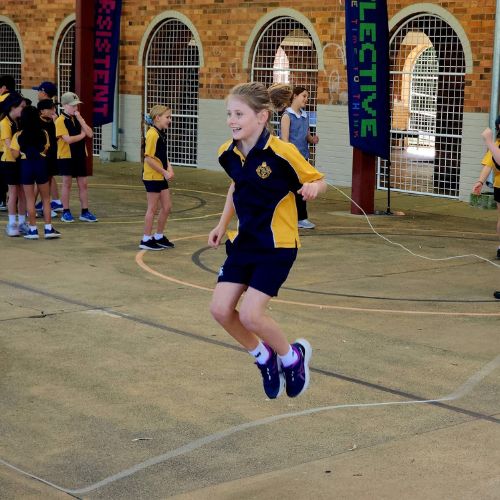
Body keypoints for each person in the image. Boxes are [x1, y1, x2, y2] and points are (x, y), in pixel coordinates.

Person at [208, 82, 326, 399]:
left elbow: (318, 179)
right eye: (229, 114)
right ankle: (264, 357)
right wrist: (222, 224)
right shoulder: (227, 153)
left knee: (250, 315)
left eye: (239, 114)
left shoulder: (282, 153)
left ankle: (293, 357)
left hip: (277, 246)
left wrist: (314, 187)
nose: (232, 120)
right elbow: (237, 188)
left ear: (261, 117)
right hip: (244, 242)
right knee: (220, 310)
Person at [10, 105, 60, 239]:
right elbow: (46, 149)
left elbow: (15, 155)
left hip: (26, 166)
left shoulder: (18, 135)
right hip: (40, 165)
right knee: (45, 198)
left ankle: (32, 230)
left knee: (30, 199)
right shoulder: (43, 132)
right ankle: (48, 229)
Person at [280, 86, 319, 230]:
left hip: (303, 159)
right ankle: (297, 218)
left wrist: (312, 139)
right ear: (295, 96)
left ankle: (300, 218)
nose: (306, 99)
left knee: (302, 189)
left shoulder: (305, 116)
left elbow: (306, 136)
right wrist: (291, 157)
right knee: (293, 189)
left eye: (307, 96)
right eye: (304, 96)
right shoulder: (287, 116)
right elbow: (284, 140)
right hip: (290, 160)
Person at [55, 91, 96, 223]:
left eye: (76, 106)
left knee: (83, 184)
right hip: (66, 156)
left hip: (80, 154)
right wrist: (82, 135)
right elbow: (68, 140)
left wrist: (81, 120)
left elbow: (90, 133)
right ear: (64, 105)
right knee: (66, 183)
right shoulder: (60, 121)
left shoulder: (78, 118)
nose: (75, 108)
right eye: (73, 106)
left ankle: (85, 211)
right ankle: (65, 211)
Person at [139, 105, 175, 250]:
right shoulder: (152, 134)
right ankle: (146, 239)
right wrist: (164, 172)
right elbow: (148, 159)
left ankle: (158, 236)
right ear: (157, 118)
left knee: (167, 207)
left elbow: (162, 156)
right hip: (152, 176)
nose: (170, 120)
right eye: (168, 117)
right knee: (152, 208)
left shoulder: (161, 133)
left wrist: (169, 168)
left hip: (160, 176)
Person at [473, 118, 500, 260]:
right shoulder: (497, 145)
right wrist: (480, 181)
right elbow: (489, 165)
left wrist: (489, 141)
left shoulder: (494, 144)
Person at [1, 92, 28, 236]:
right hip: (9, 162)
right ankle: (12, 224)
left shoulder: (18, 122)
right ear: (13, 107)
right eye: (22, 106)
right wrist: (24, 153)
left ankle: (22, 222)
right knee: (13, 193)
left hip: (19, 161)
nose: (23, 109)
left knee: (23, 192)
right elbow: (10, 146)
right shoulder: (4, 123)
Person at [35, 99, 62, 216]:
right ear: (42, 111)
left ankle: (43, 205)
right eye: (50, 108)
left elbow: (57, 137)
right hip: (42, 157)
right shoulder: (36, 123)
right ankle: (30, 207)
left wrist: (56, 123)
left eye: (54, 108)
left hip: (52, 155)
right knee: (40, 181)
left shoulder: (54, 121)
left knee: (49, 179)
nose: (53, 111)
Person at [0, 75, 16, 211]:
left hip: (5, 145)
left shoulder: (3, 99)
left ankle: (3, 201)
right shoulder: (18, 98)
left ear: (4, 87)